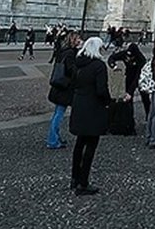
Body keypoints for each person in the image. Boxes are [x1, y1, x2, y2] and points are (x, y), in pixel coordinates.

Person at [69, 36, 110, 196]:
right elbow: (101, 90)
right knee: (91, 145)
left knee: (79, 144)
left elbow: (73, 83)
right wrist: (108, 102)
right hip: (93, 108)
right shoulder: (98, 66)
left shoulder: (78, 63)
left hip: (79, 106)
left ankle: (74, 178)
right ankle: (83, 183)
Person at [47, 31, 82, 149]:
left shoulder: (63, 50)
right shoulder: (71, 53)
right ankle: (52, 141)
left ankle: (54, 137)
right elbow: (71, 70)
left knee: (57, 112)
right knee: (59, 114)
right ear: (73, 40)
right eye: (78, 39)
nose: (80, 41)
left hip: (59, 86)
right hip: (64, 88)